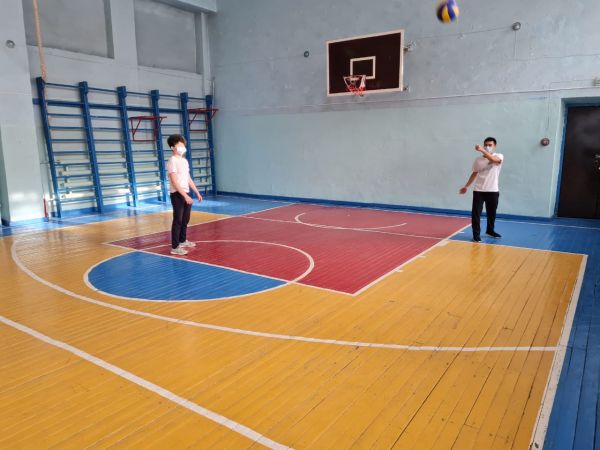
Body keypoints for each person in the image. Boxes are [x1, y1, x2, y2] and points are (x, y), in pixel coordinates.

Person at [459, 137, 504, 242]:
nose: (487, 147)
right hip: (479, 191)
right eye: (486, 145)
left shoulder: (499, 156)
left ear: (494, 146)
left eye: (490, 145)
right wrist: (466, 186)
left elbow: (494, 160)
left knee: (491, 213)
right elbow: (474, 173)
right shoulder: (478, 160)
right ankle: (476, 235)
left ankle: (490, 231)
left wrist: (482, 150)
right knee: (476, 214)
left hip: (493, 191)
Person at [166, 134, 202, 255]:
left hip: (186, 192)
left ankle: (182, 240)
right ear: (173, 147)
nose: (182, 147)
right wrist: (185, 196)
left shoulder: (184, 161)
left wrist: (196, 192)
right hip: (177, 194)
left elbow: (188, 178)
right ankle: (175, 247)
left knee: (185, 219)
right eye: (179, 145)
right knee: (178, 220)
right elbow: (174, 181)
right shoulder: (172, 161)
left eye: (183, 145)